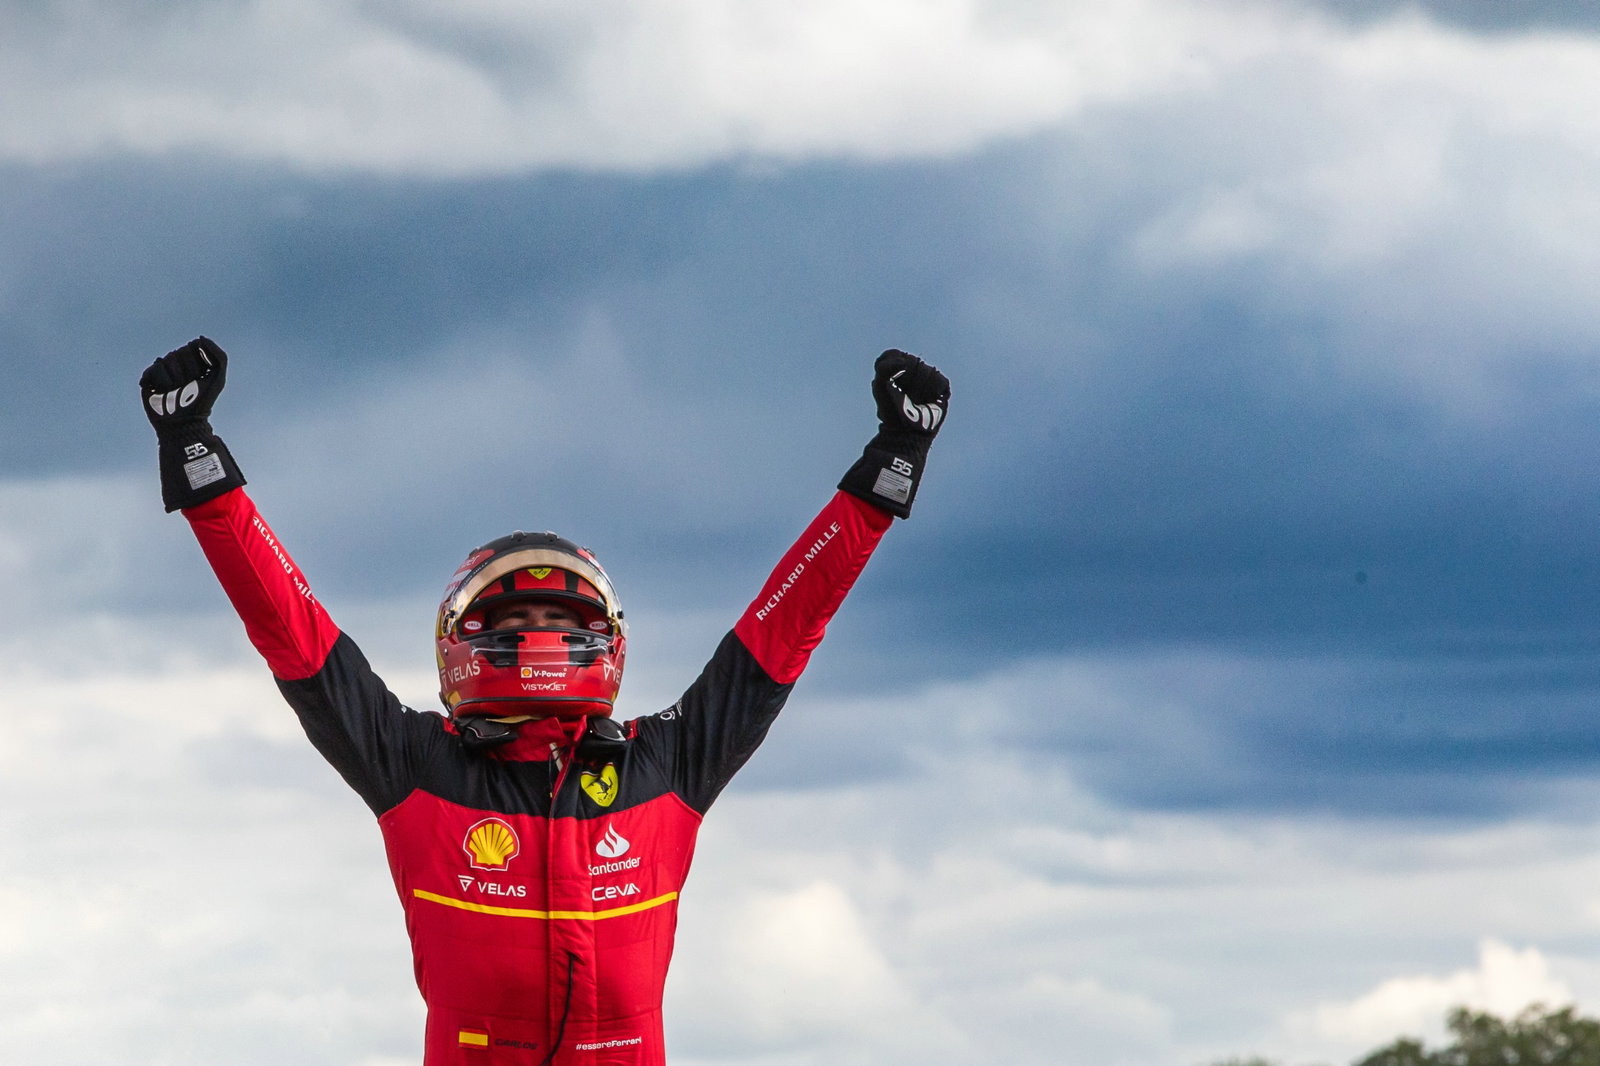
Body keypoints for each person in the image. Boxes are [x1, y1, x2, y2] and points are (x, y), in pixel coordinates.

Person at [140, 338, 949, 1066]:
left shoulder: (664, 765)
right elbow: (295, 634)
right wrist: (199, 460)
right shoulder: (416, 766)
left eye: (563, 622)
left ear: (607, 640)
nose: (539, 638)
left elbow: (784, 629)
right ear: (462, 639)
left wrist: (889, 467)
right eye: (514, 620)